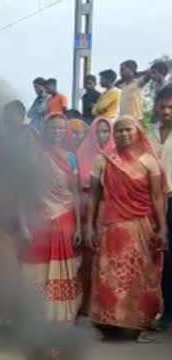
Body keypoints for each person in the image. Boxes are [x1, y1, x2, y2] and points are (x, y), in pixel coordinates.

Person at [86, 117, 166, 342]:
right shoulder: (103, 160)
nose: (123, 134)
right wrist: (89, 225)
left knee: (140, 277)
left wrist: (162, 227)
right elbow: (93, 195)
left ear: (137, 131)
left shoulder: (150, 161)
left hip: (142, 227)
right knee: (109, 277)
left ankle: (137, 326)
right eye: (118, 131)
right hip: (113, 228)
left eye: (127, 129)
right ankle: (108, 325)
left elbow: (157, 197)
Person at [20, 114, 82, 323]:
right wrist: (23, 224)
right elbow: (22, 193)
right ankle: (36, 316)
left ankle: (61, 316)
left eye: (61, 129)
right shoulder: (33, 156)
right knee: (36, 265)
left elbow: (75, 193)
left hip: (65, 218)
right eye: (53, 128)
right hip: (38, 219)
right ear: (45, 130)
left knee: (64, 267)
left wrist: (80, 227)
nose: (57, 132)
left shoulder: (72, 158)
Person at [76, 118, 115, 316]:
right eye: (99, 132)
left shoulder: (116, 156)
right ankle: (81, 305)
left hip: (107, 210)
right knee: (83, 259)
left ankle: (100, 307)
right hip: (82, 210)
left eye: (106, 132)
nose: (103, 136)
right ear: (92, 134)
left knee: (103, 259)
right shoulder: (82, 154)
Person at [149, 86, 172, 327]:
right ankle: (163, 311)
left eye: (171, 107)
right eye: (163, 106)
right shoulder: (149, 134)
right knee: (159, 256)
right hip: (153, 202)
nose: (166, 112)